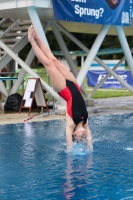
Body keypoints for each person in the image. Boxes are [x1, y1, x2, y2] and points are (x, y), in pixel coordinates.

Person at [28, 25, 93, 152]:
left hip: (64, 90)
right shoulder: (85, 123)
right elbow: (90, 143)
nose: (84, 136)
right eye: (84, 137)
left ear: (74, 134)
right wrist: (89, 148)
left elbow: (69, 147)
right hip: (74, 85)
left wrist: (70, 159)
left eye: (81, 137)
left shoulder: (70, 124)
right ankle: (37, 37)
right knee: (54, 60)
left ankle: (31, 40)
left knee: (48, 64)